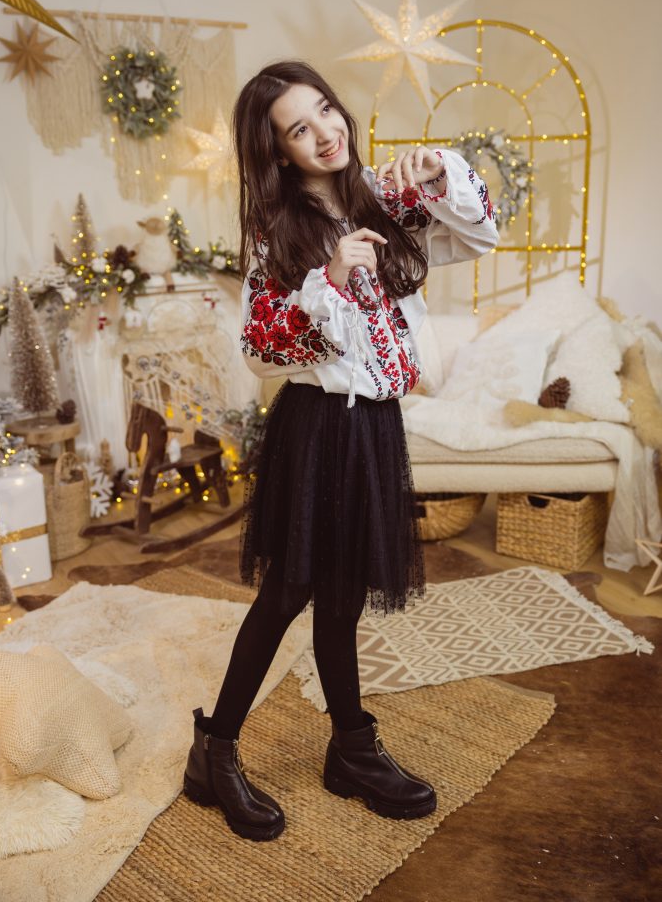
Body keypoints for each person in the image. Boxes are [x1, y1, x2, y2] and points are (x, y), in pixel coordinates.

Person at [183, 60, 499, 841]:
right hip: (317, 426)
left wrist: (438, 171)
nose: (325, 132)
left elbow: (478, 234)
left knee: (346, 590)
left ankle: (350, 748)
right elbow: (260, 350)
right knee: (288, 590)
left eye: (325, 110)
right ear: (278, 150)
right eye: (299, 127)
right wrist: (325, 277)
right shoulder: (277, 231)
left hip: (375, 425)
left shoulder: (382, 199)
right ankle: (214, 752)